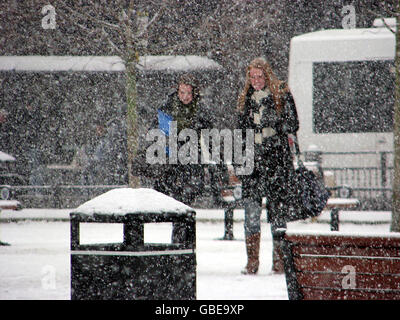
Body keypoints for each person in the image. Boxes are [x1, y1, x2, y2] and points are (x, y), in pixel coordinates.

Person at [236, 57, 299, 274]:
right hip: (253, 164)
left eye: (259, 76)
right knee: (251, 214)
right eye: (252, 76)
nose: (256, 80)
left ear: (267, 75)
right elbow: (240, 132)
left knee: (277, 214)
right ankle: (252, 261)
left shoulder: (281, 93)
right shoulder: (246, 97)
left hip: (277, 162)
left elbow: (294, 123)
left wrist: (273, 123)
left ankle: (279, 261)